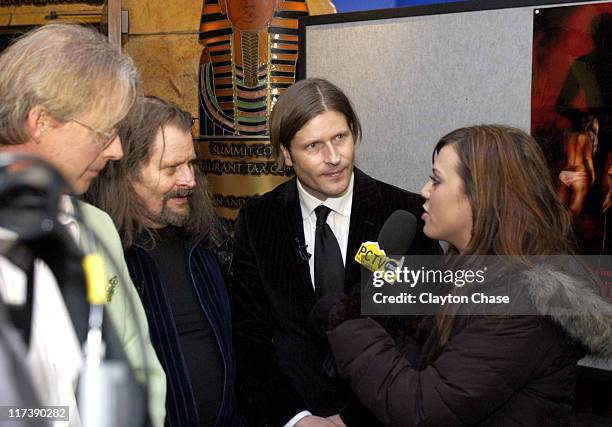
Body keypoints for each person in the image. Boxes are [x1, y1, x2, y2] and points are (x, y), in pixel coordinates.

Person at [324, 125, 612, 426]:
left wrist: (350, 323)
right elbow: (413, 366)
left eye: (436, 180)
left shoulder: (522, 305)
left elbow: (422, 409)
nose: (424, 190)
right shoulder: (460, 274)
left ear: (480, 197)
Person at [231, 78, 441, 427]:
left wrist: (351, 420)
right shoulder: (258, 221)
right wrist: (296, 418)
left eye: (340, 138)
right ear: (286, 154)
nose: (333, 158)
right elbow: (249, 335)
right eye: (313, 146)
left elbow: (421, 335)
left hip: (382, 416)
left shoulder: (405, 215)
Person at [0, 24, 167, 426]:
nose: (116, 151)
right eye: (104, 132)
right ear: (40, 121)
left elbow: (138, 361)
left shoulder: (95, 227)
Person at [87, 96, 242, 426]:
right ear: (128, 173)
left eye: (190, 164)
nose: (188, 179)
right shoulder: (105, 255)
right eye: (171, 169)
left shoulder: (208, 241)